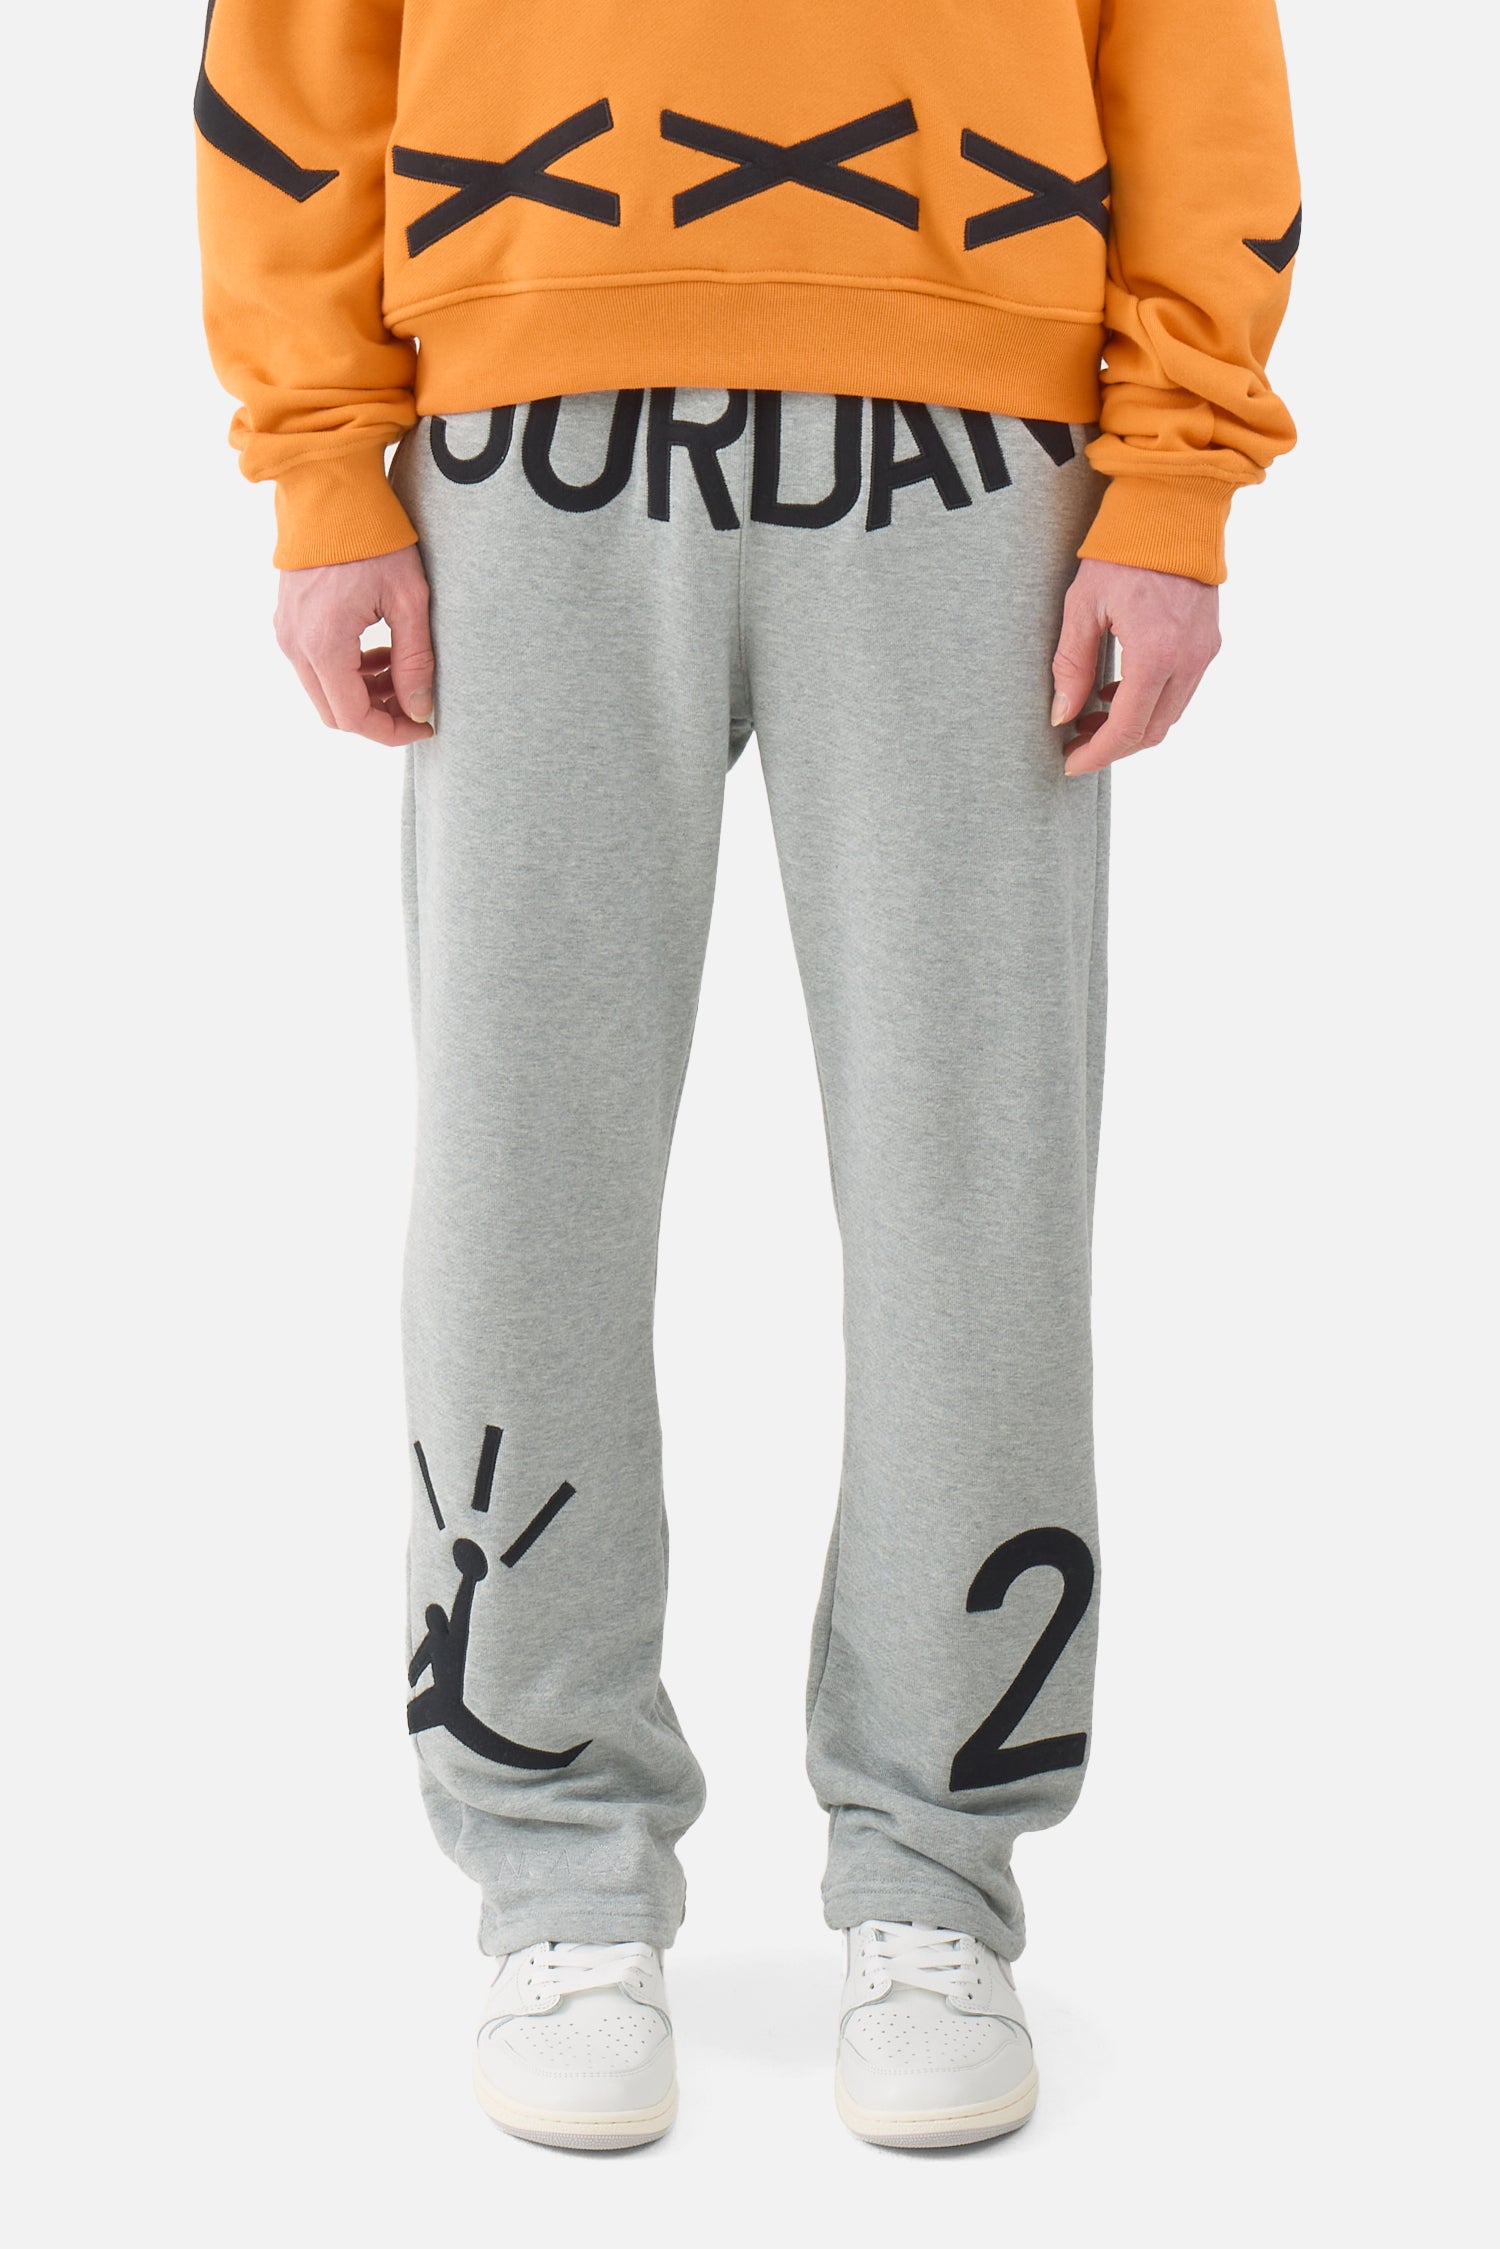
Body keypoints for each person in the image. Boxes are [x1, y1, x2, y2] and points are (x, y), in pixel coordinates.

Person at [196, 0, 1297, 2151]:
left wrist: (1174, 480)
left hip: (978, 435)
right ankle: (555, 1868)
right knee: (522, 1168)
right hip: (525, 421)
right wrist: (322, 459)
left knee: (974, 1171)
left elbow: (1194, 50)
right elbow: (298, 48)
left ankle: (935, 1868)